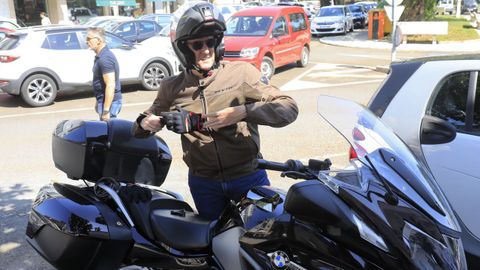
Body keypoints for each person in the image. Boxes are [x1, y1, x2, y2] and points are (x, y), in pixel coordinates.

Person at [132, 2, 298, 220]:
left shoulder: (242, 74)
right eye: (197, 44)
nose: (206, 50)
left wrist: (245, 111)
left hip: (248, 176)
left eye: (211, 42)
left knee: (264, 235)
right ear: (184, 49)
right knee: (214, 243)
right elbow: (141, 126)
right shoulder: (172, 87)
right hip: (205, 184)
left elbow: (288, 107)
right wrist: (145, 123)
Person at [86, 27, 122, 121]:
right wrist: (98, 101)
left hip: (110, 103)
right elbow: (101, 83)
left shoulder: (105, 58)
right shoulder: (101, 56)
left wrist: (106, 111)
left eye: (89, 39)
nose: (86, 41)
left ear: (98, 40)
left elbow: (110, 84)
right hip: (104, 101)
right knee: (107, 132)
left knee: (110, 133)